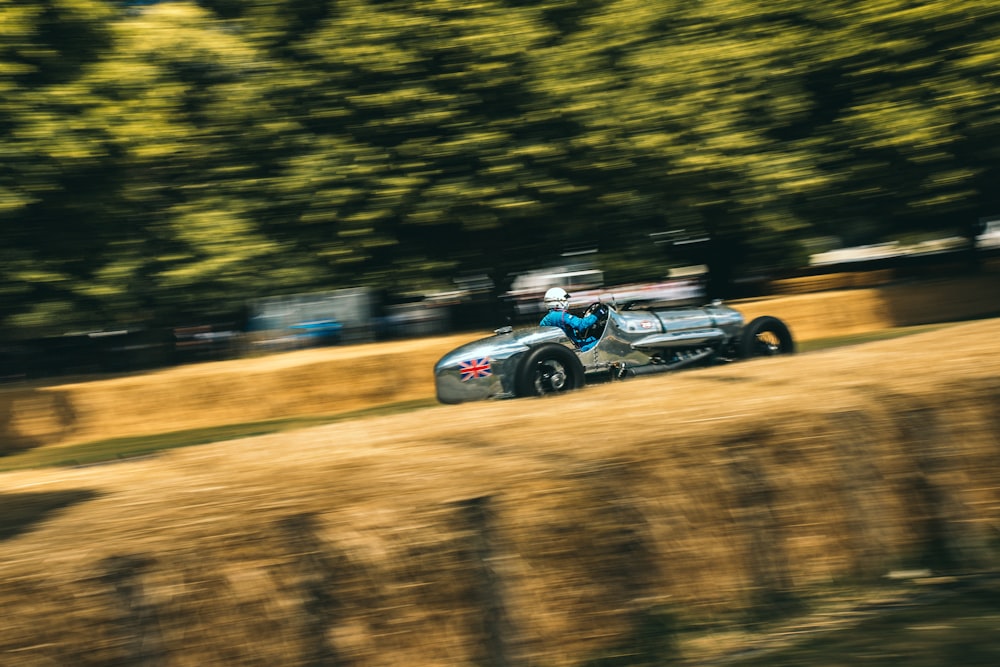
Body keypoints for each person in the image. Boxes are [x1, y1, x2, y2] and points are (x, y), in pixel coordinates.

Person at [539, 287, 603, 351]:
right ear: (558, 301)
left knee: (593, 338)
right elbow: (581, 325)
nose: (567, 302)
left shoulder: (547, 318)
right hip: (574, 349)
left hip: (562, 348)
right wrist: (598, 314)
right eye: (565, 299)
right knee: (603, 341)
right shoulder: (561, 316)